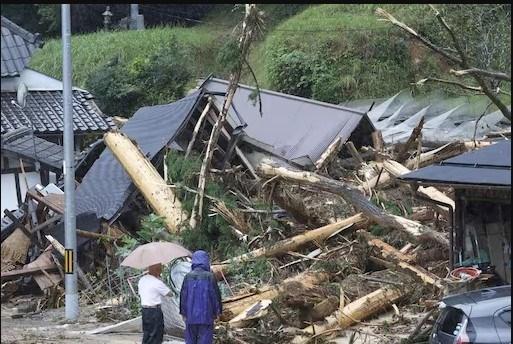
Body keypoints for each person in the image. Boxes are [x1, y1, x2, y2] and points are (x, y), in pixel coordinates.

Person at [180, 250, 222, 344]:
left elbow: (183, 296)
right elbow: (215, 296)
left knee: (190, 340)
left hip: (190, 316)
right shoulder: (209, 277)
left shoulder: (188, 277)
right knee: (205, 340)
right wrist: (218, 312)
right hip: (206, 315)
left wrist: (183, 312)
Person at [138, 263, 172, 344]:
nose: (161, 271)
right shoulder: (157, 282)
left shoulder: (142, 280)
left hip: (145, 310)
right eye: (160, 269)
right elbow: (169, 293)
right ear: (156, 270)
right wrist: (161, 281)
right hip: (154, 311)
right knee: (156, 334)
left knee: (147, 333)